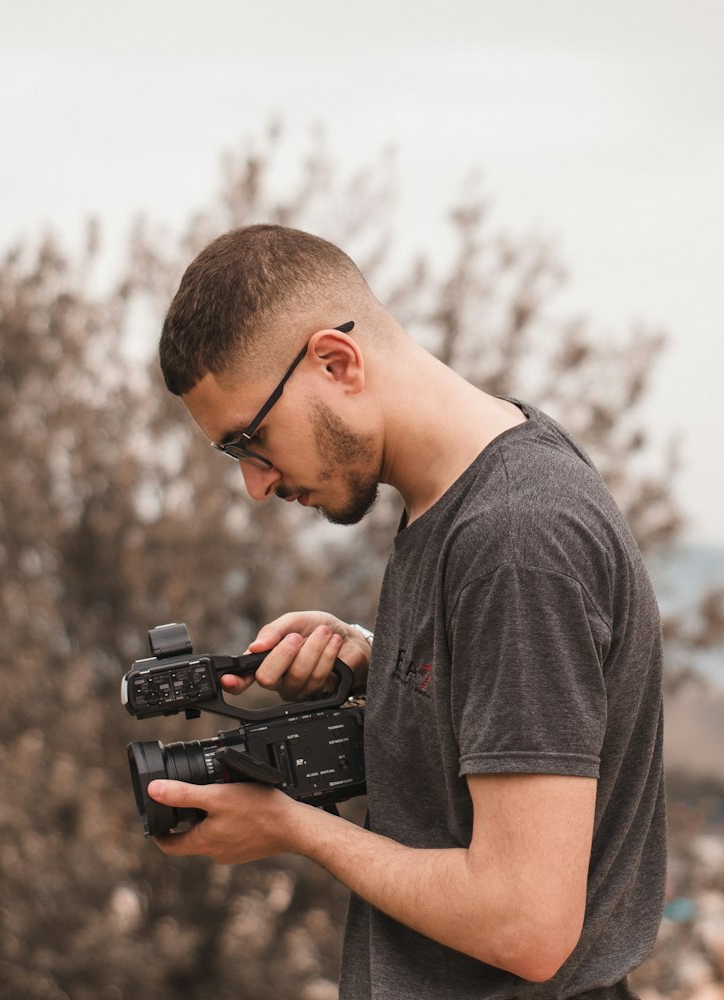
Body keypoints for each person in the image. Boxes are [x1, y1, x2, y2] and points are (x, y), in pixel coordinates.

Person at [150, 224, 666, 999]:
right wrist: (378, 664)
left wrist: (290, 827)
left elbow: (525, 925)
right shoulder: (463, 496)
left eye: (250, 441)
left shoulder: (515, 538)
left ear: (336, 361)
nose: (255, 484)